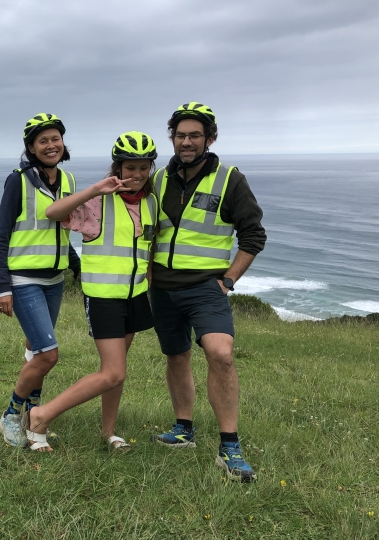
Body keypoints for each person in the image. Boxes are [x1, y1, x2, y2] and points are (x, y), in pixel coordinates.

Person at [149, 102, 266, 482]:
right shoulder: (159, 179)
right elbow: (145, 229)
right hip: (162, 289)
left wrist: (229, 279)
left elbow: (253, 235)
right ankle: (183, 429)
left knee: (221, 354)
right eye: (180, 135)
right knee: (177, 357)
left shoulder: (230, 179)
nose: (186, 142)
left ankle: (229, 445)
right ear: (173, 138)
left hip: (205, 288)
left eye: (194, 135)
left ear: (209, 139)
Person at [23, 131, 159, 452]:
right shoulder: (98, 203)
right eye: (130, 168)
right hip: (102, 298)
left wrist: (149, 283)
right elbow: (54, 213)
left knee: (118, 372)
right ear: (117, 169)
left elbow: (147, 248)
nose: (137, 175)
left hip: (135, 297)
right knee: (112, 372)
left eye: (144, 168)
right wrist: (96, 188)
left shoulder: (152, 202)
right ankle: (41, 416)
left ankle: (109, 432)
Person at [0, 113, 80, 447]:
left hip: (54, 279)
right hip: (23, 278)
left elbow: (61, 234)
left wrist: (77, 267)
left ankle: (33, 418)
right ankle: (11, 415)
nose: (50, 145)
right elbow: (2, 236)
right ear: (31, 147)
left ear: (63, 142)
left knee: (35, 350)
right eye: (42, 141)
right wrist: (3, 286)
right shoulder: (18, 180)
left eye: (55, 138)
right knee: (48, 354)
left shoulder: (68, 182)